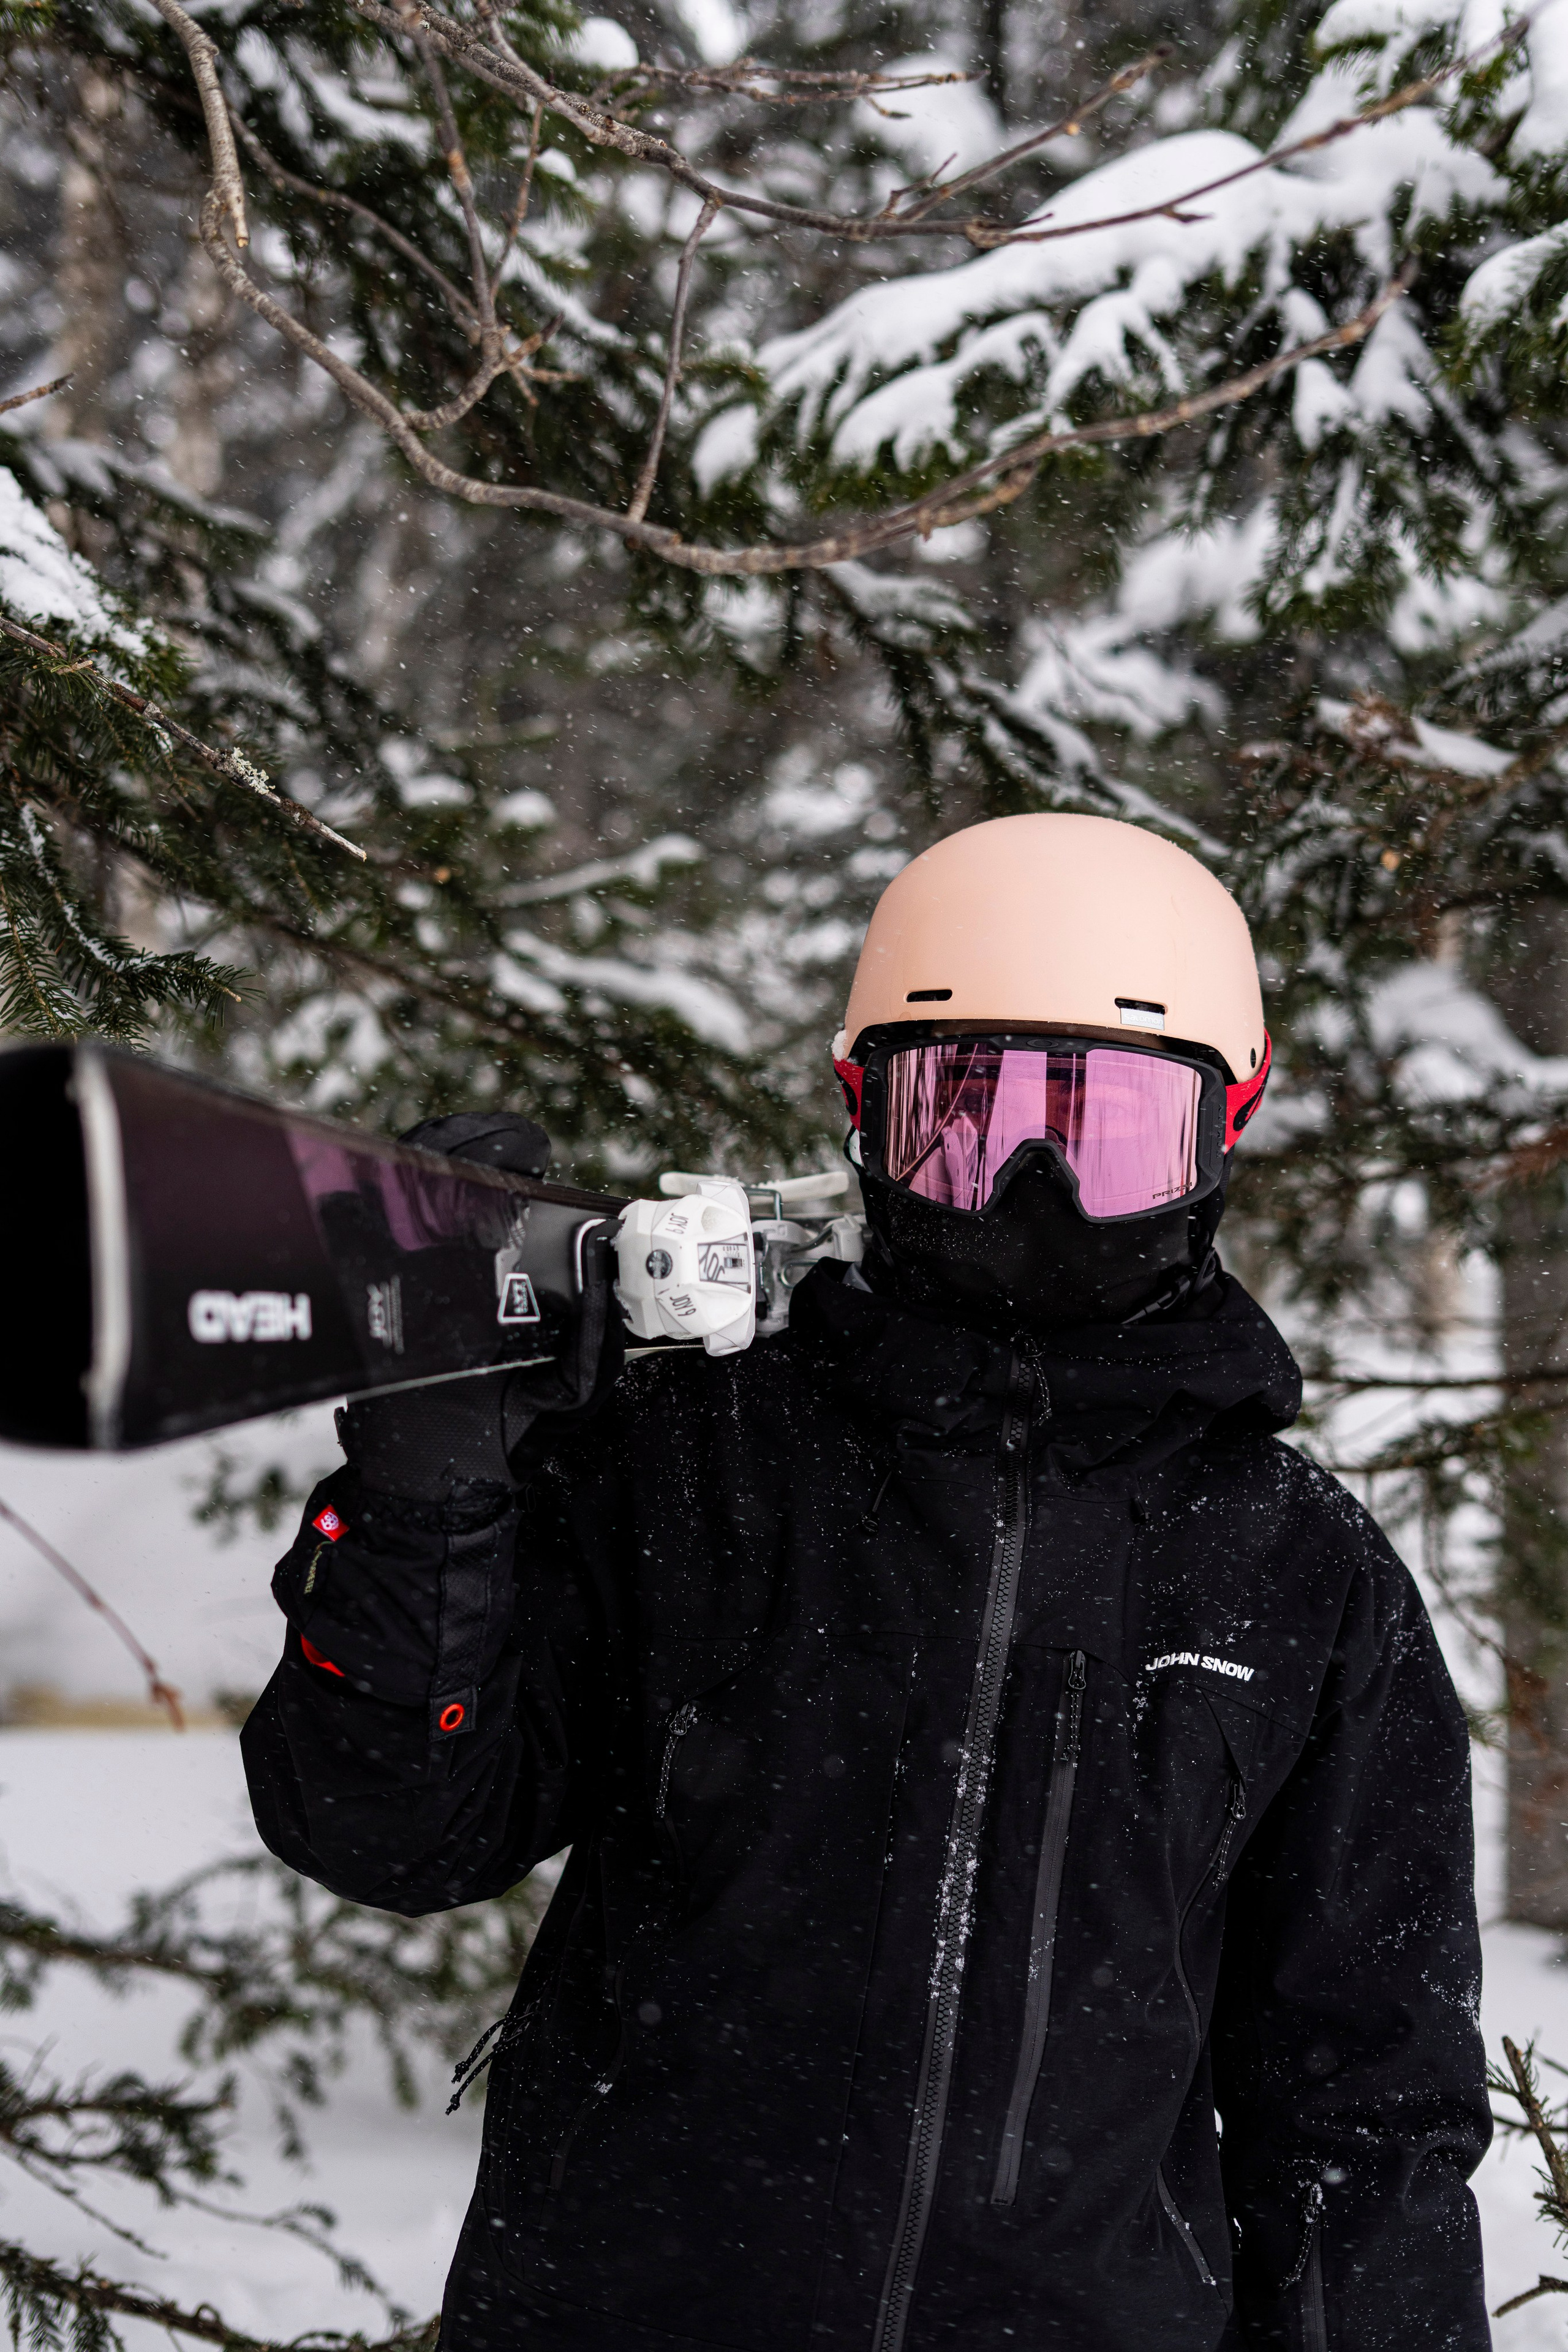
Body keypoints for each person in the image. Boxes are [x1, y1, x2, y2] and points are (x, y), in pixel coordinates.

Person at [242, 812, 1491, 2352]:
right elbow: (386, 1828)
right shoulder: (684, 1464)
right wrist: (426, 1487)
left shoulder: (1299, 1574)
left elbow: (1365, 2107)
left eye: (1106, 1136)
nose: (1033, 1186)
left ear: (1226, 1126)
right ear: (856, 1112)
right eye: (960, 1120)